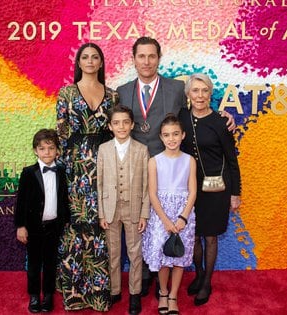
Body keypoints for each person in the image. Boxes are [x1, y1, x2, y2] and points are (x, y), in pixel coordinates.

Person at [117, 36, 236, 297]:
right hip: (138, 168)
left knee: (170, 223)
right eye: (141, 56)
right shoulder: (123, 91)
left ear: (159, 58)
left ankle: (169, 274)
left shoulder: (175, 89)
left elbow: (195, 113)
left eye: (152, 56)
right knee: (142, 221)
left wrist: (223, 116)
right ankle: (147, 272)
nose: (147, 61)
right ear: (134, 59)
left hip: (172, 172)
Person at [55, 43, 119, 312]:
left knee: (100, 226)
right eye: (85, 57)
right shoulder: (66, 93)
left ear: (102, 63)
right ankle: (75, 292)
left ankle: (98, 293)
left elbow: (118, 133)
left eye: (95, 57)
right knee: (76, 226)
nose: (90, 61)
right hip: (75, 169)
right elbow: (60, 133)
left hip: (104, 167)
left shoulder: (113, 96)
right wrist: (62, 173)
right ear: (78, 62)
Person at [178, 73, 242, 306]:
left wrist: (236, 193)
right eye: (195, 90)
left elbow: (232, 160)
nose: (200, 95)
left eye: (205, 90)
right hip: (190, 188)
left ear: (210, 93)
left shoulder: (220, 122)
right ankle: (198, 274)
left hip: (216, 189)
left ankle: (207, 283)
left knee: (211, 237)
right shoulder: (182, 117)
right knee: (194, 236)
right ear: (188, 94)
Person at [97, 105, 150, 315]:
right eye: (116, 123)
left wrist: (145, 213)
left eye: (125, 122)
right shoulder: (103, 149)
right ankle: (115, 289)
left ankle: (135, 294)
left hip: (134, 208)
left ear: (132, 125)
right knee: (113, 253)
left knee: (135, 253)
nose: (121, 126)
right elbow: (99, 184)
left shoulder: (141, 149)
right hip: (110, 209)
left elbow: (146, 184)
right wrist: (101, 213)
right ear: (110, 126)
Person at [142, 114, 197, 315]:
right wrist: (165, 220)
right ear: (161, 137)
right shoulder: (154, 161)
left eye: (175, 134)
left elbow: (193, 192)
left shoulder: (189, 161)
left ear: (182, 135)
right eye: (167, 135)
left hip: (184, 215)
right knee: (164, 256)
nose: (171, 138)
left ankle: (173, 295)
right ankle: (163, 292)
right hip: (160, 216)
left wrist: (182, 218)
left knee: (179, 256)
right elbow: (152, 193)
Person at [14, 128, 70, 313]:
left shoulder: (61, 171)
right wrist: (21, 226)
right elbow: (21, 201)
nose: (47, 152)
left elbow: (64, 198)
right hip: (34, 227)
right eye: (42, 148)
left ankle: (47, 295)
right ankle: (33, 296)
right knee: (34, 264)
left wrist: (66, 221)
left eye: (51, 148)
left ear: (57, 150)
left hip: (54, 226)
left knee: (51, 263)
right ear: (35, 151)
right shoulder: (28, 173)